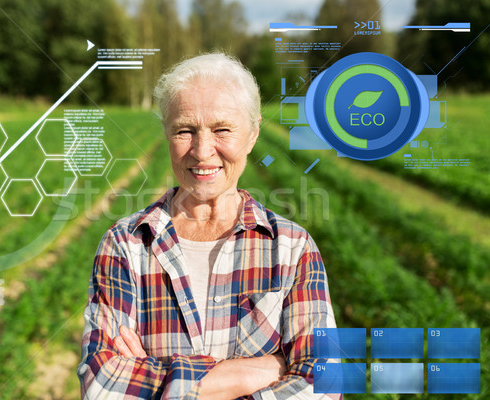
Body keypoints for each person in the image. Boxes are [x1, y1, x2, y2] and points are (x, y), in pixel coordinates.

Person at [77, 53, 340, 399]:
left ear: (252, 134)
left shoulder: (292, 248)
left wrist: (160, 382)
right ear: (166, 133)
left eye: (222, 130)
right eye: (184, 130)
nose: (202, 152)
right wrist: (247, 375)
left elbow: (323, 385)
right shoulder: (126, 245)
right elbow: (101, 387)